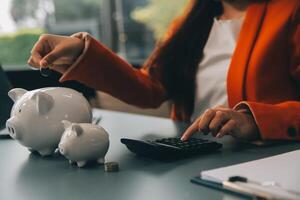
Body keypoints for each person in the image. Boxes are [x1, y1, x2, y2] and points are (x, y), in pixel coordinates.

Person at [28, 0, 300, 142]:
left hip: (262, 165)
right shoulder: (192, 21)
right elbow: (150, 89)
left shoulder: (291, 11)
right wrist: (81, 51)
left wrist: (255, 122)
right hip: (194, 158)